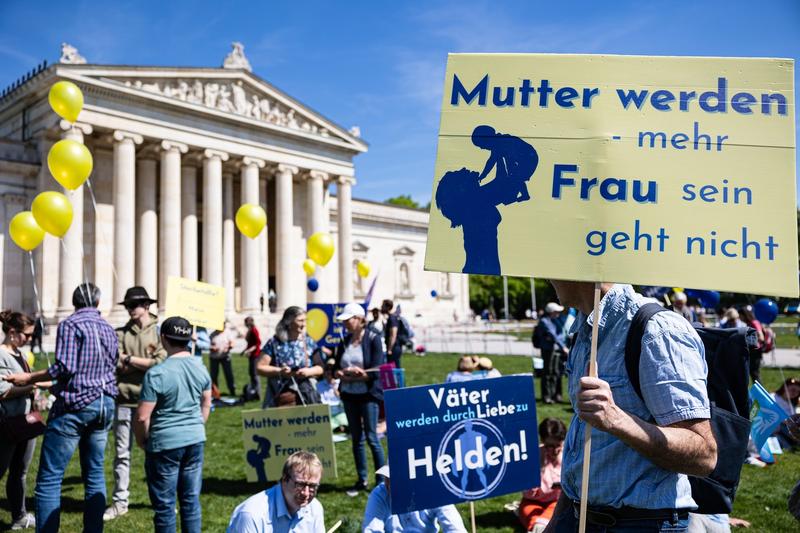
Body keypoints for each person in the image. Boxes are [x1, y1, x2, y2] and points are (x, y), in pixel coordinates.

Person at [544, 282, 715, 532]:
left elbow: (703, 455)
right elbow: (583, 446)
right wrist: (559, 520)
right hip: (577, 515)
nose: (546, 276)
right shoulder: (585, 330)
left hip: (639, 523)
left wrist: (617, 420)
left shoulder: (658, 330)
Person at [4, 283, 118, 533]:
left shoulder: (71, 324)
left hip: (76, 406)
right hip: (104, 405)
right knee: (95, 474)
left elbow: (64, 368)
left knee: (49, 479)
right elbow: (111, 365)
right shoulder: (109, 328)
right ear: (97, 303)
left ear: (74, 302)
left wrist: (30, 378)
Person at [133, 316, 212, 533]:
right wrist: (198, 424)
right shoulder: (201, 367)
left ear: (163, 338)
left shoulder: (157, 373)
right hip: (195, 438)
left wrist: (141, 440)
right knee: (190, 502)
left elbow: (142, 417)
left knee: (165, 507)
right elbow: (207, 402)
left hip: (165, 442)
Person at [105, 286, 167, 522]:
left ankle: (161, 501)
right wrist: (143, 363)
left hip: (152, 402)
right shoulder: (120, 333)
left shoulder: (160, 332)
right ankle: (120, 501)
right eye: (128, 305)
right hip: (124, 399)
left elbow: (160, 364)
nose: (131, 309)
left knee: (156, 453)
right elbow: (116, 363)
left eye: (135, 305)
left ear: (147, 306)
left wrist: (130, 360)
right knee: (122, 454)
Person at [333, 303, 386, 496]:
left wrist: (359, 374)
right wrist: (341, 373)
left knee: (372, 437)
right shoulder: (344, 341)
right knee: (356, 438)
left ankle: (381, 480)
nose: (346, 323)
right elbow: (336, 368)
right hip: (349, 395)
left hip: (367, 395)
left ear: (359, 319)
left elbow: (377, 369)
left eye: (349, 319)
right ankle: (361, 479)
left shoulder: (373, 339)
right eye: (345, 320)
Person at [0, 310, 42, 529]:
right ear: (13, 332)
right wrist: (30, 386)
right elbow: (2, 391)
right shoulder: (1, 354)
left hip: (25, 422)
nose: (30, 339)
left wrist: (34, 391)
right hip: (6, 423)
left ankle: (20, 516)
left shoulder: (21, 354)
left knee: (20, 472)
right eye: (27, 334)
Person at [227, 451, 325, 533]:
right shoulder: (252, 515)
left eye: (312, 486)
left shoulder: (315, 508)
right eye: (300, 485)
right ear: (284, 479)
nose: (306, 493)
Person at [363, 464, 467, 532]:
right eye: (387, 478)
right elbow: (371, 530)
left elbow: (455, 528)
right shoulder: (380, 494)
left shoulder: (433, 490)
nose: (388, 483)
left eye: (397, 479)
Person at [257, 307, 324, 408]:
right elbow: (260, 367)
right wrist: (280, 371)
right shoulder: (275, 342)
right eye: (300, 321)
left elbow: (321, 367)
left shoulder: (309, 342)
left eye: (305, 320)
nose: (304, 324)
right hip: (282, 394)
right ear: (289, 322)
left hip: (307, 393)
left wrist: (308, 372)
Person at [518, 418, 566, 533]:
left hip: (556, 502)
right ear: (543, 441)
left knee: (543, 522)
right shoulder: (533, 455)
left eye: (558, 445)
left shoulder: (567, 454)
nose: (555, 450)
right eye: (550, 446)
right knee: (534, 520)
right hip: (531, 501)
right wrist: (540, 470)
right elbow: (527, 492)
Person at [535, 303, 569, 405]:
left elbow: (560, 335)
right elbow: (553, 335)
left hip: (555, 349)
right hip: (548, 350)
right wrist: (563, 347)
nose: (558, 313)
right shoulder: (544, 321)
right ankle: (546, 396)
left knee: (555, 372)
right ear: (551, 312)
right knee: (547, 372)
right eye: (556, 311)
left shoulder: (554, 320)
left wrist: (563, 345)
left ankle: (554, 395)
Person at [740, 306, 766, 383]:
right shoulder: (749, 323)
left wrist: (751, 342)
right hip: (752, 351)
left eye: (740, 315)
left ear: (745, 315)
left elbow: (761, 337)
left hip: (756, 351)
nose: (740, 318)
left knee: (755, 373)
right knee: (751, 373)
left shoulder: (754, 323)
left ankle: (759, 392)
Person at [773, 377, 800, 450]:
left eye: (798, 392)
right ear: (785, 387)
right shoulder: (773, 398)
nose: (794, 393)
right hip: (774, 431)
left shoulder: (792, 403)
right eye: (792, 390)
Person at [209, 328, 236, 397]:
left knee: (228, 374)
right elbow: (208, 344)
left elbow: (232, 343)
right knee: (214, 375)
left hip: (225, 357)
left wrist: (229, 347)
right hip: (214, 358)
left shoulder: (227, 333)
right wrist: (212, 348)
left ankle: (232, 391)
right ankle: (215, 392)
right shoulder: (212, 334)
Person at [244, 316, 262, 400]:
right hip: (251, 355)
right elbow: (250, 343)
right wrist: (245, 350)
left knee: (255, 374)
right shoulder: (250, 330)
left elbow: (258, 343)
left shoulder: (254, 330)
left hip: (256, 355)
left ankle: (258, 393)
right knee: (251, 373)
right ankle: (253, 391)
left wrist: (249, 350)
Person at [382, 299, 402, 368]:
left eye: (383, 306)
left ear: (387, 307)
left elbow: (393, 334)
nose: (381, 307)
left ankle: (398, 379)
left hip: (394, 347)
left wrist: (390, 349)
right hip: (393, 347)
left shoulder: (392, 318)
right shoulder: (390, 318)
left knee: (395, 368)